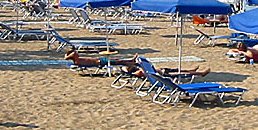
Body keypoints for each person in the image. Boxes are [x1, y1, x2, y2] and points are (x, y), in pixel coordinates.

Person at [64, 51, 210, 76]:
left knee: (173, 69)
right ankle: (197, 73)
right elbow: (71, 56)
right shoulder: (138, 72)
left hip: (157, 72)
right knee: (176, 72)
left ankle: (193, 71)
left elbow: (72, 56)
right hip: (159, 74)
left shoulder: (79, 60)